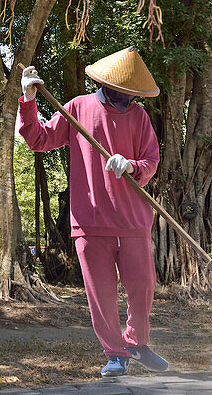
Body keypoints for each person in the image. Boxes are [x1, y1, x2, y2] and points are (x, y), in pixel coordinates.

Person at [17, 47, 169, 377]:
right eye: (123, 93)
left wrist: (131, 165)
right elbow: (38, 139)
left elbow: (151, 161)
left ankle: (137, 343)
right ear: (107, 84)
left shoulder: (139, 117)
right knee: (100, 293)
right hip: (91, 220)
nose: (127, 100)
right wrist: (28, 101)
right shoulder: (77, 108)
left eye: (133, 95)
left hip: (132, 219)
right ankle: (116, 353)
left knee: (142, 288)